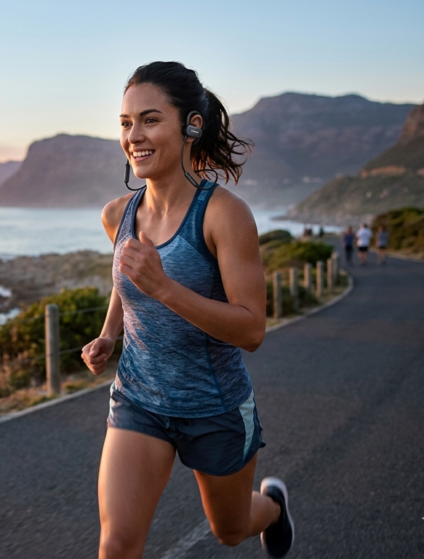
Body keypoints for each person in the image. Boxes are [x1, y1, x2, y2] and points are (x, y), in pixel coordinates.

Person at [81, 62, 293, 559]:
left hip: (214, 407)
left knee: (231, 529)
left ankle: (273, 508)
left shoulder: (224, 214)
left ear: (191, 125)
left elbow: (251, 329)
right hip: (138, 399)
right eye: (126, 123)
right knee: (117, 544)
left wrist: (165, 288)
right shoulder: (118, 215)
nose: (134, 136)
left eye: (150, 120)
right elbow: (127, 279)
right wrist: (110, 334)